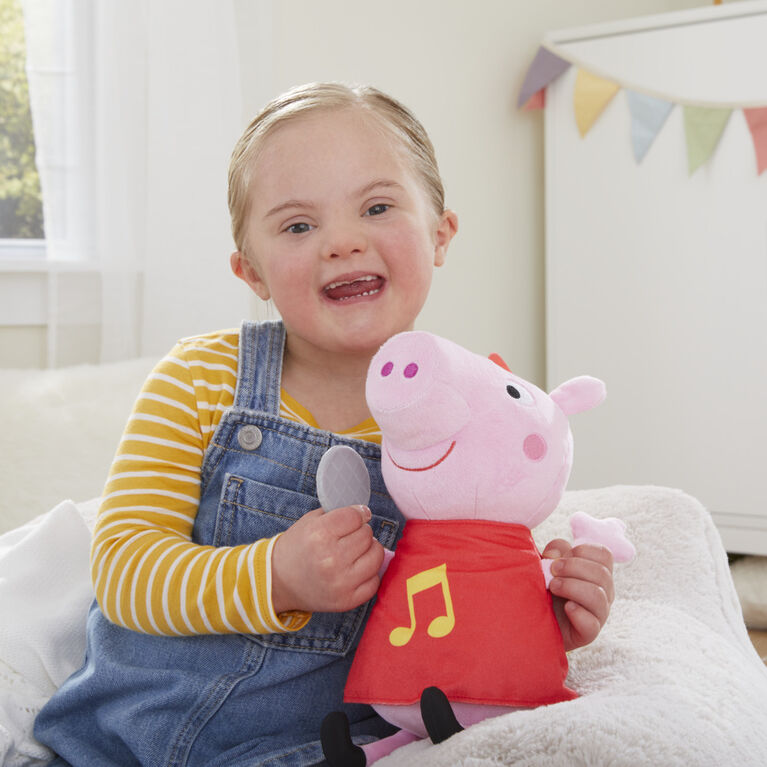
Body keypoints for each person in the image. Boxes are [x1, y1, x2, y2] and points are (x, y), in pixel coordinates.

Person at [34, 82, 616, 767]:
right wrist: (275, 574)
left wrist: (551, 613)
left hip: (317, 750)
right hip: (114, 740)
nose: (340, 241)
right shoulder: (200, 378)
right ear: (250, 270)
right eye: (297, 226)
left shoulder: (470, 414)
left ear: (439, 234)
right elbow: (124, 568)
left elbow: (474, 598)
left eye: (375, 206)